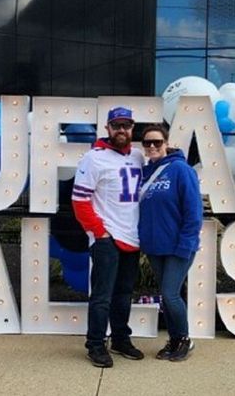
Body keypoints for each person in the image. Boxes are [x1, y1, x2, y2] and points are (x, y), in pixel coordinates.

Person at [72, 106, 145, 367]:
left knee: (124, 293)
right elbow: (79, 200)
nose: (121, 130)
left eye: (126, 125)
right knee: (102, 295)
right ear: (108, 129)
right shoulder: (94, 158)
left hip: (132, 238)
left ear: (132, 128)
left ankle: (121, 339)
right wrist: (100, 233)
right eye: (117, 126)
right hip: (108, 238)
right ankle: (95, 344)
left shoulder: (138, 156)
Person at [138, 123, 203, 361]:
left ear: (166, 143)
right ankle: (174, 340)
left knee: (170, 294)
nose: (153, 146)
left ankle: (185, 339)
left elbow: (193, 212)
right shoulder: (145, 173)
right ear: (143, 147)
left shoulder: (181, 170)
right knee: (167, 295)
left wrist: (186, 243)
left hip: (179, 246)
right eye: (148, 143)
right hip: (155, 247)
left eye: (157, 142)